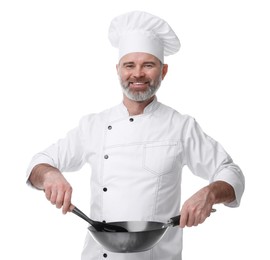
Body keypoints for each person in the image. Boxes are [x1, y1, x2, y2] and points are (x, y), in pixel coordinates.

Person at [26, 10, 245, 260]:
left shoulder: (181, 126)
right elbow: (37, 165)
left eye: (148, 65)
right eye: (129, 65)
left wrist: (209, 194)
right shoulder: (93, 126)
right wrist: (51, 175)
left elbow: (231, 171)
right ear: (118, 70)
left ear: (163, 72)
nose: (137, 74)